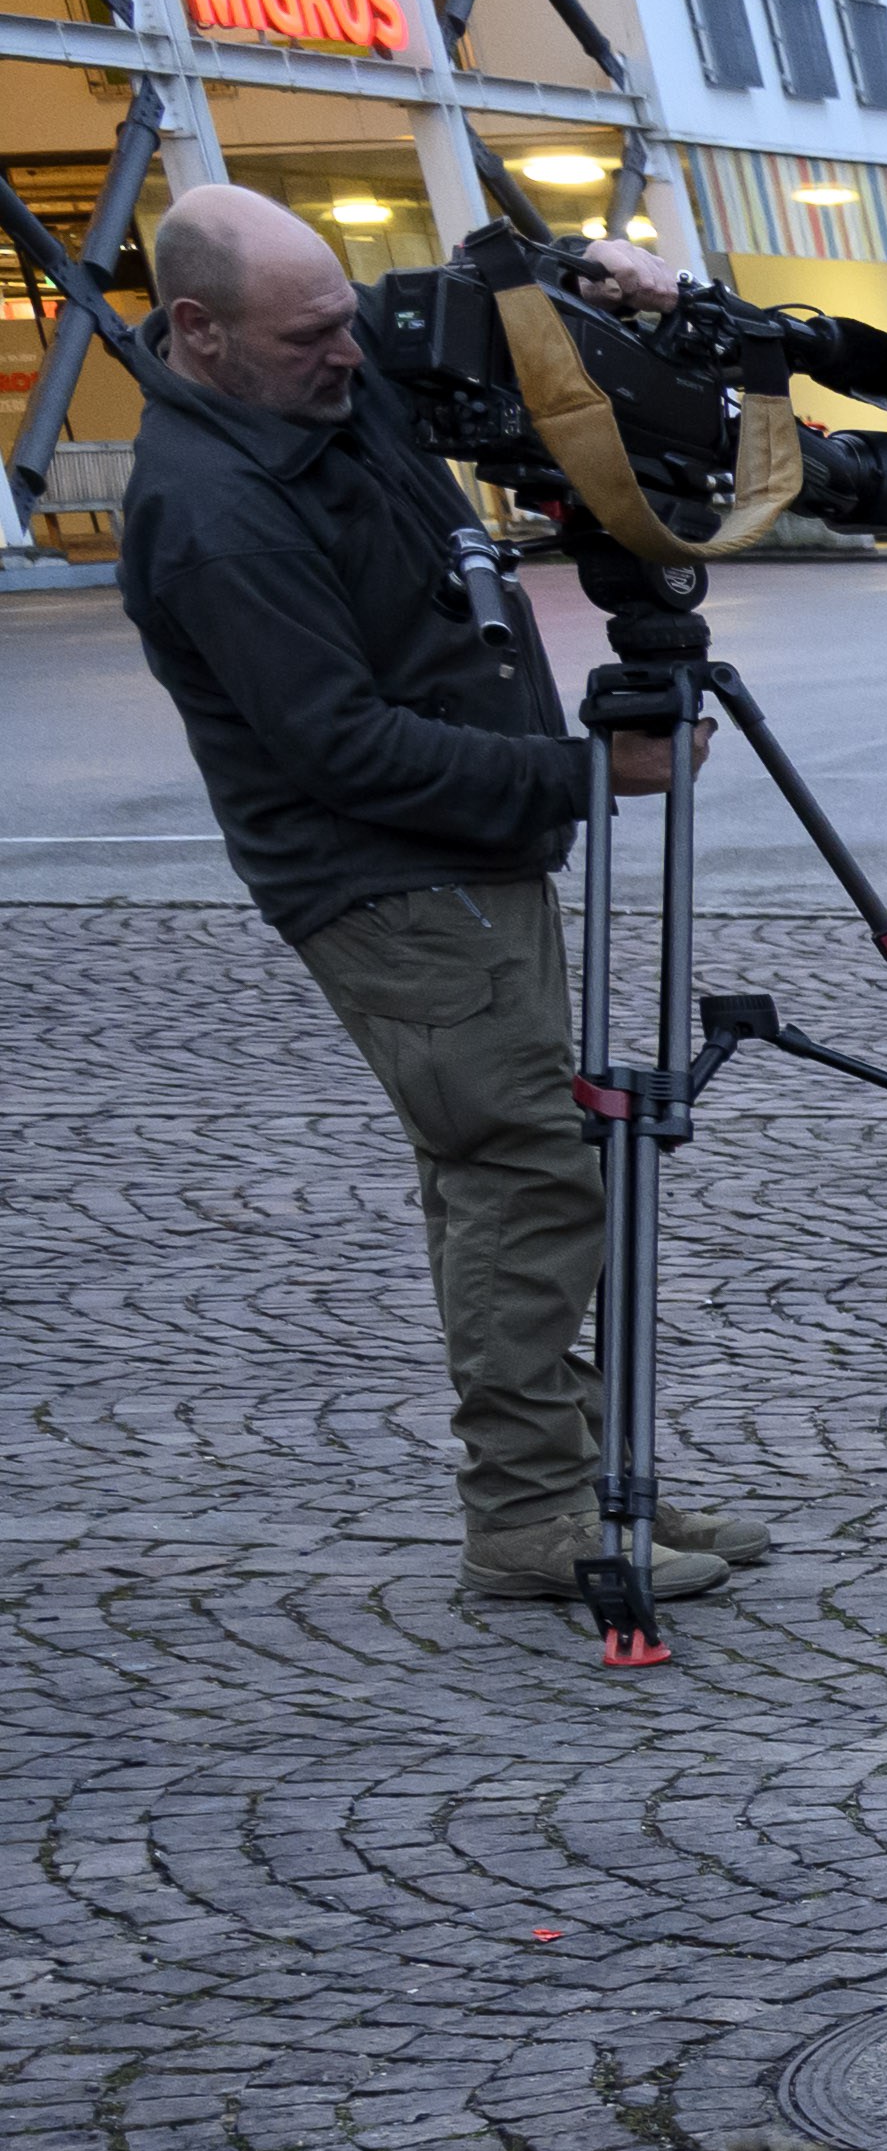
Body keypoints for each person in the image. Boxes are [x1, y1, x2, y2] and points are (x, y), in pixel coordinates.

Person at [118, 184, 779, 1614]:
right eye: (307, 339)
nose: (346, 359)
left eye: (344, 323)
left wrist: (582, 282)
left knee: (516, 1170)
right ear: (198, 333)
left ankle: (598, 1473)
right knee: (524, 1172)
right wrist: (587, 774)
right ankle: (534, 1513)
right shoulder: (212, 510)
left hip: (467, 866)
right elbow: (338, 749)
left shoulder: (302, 394)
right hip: (390, 883)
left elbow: (447, 324)